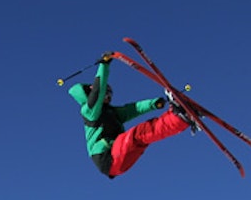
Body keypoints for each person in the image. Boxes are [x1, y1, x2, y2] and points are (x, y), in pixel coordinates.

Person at [68, 53, 198, 179]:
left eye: (110, 95)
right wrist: (104, 65)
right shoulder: (89, 110)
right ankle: (178, 117)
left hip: (117, 160)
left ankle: (180, 119)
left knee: (145, 134)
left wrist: (153, 104)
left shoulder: (111, 112)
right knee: (139, 134)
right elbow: (98, 91)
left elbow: (133, 109)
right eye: (106, 94)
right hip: (107, 156)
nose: (108, 97)